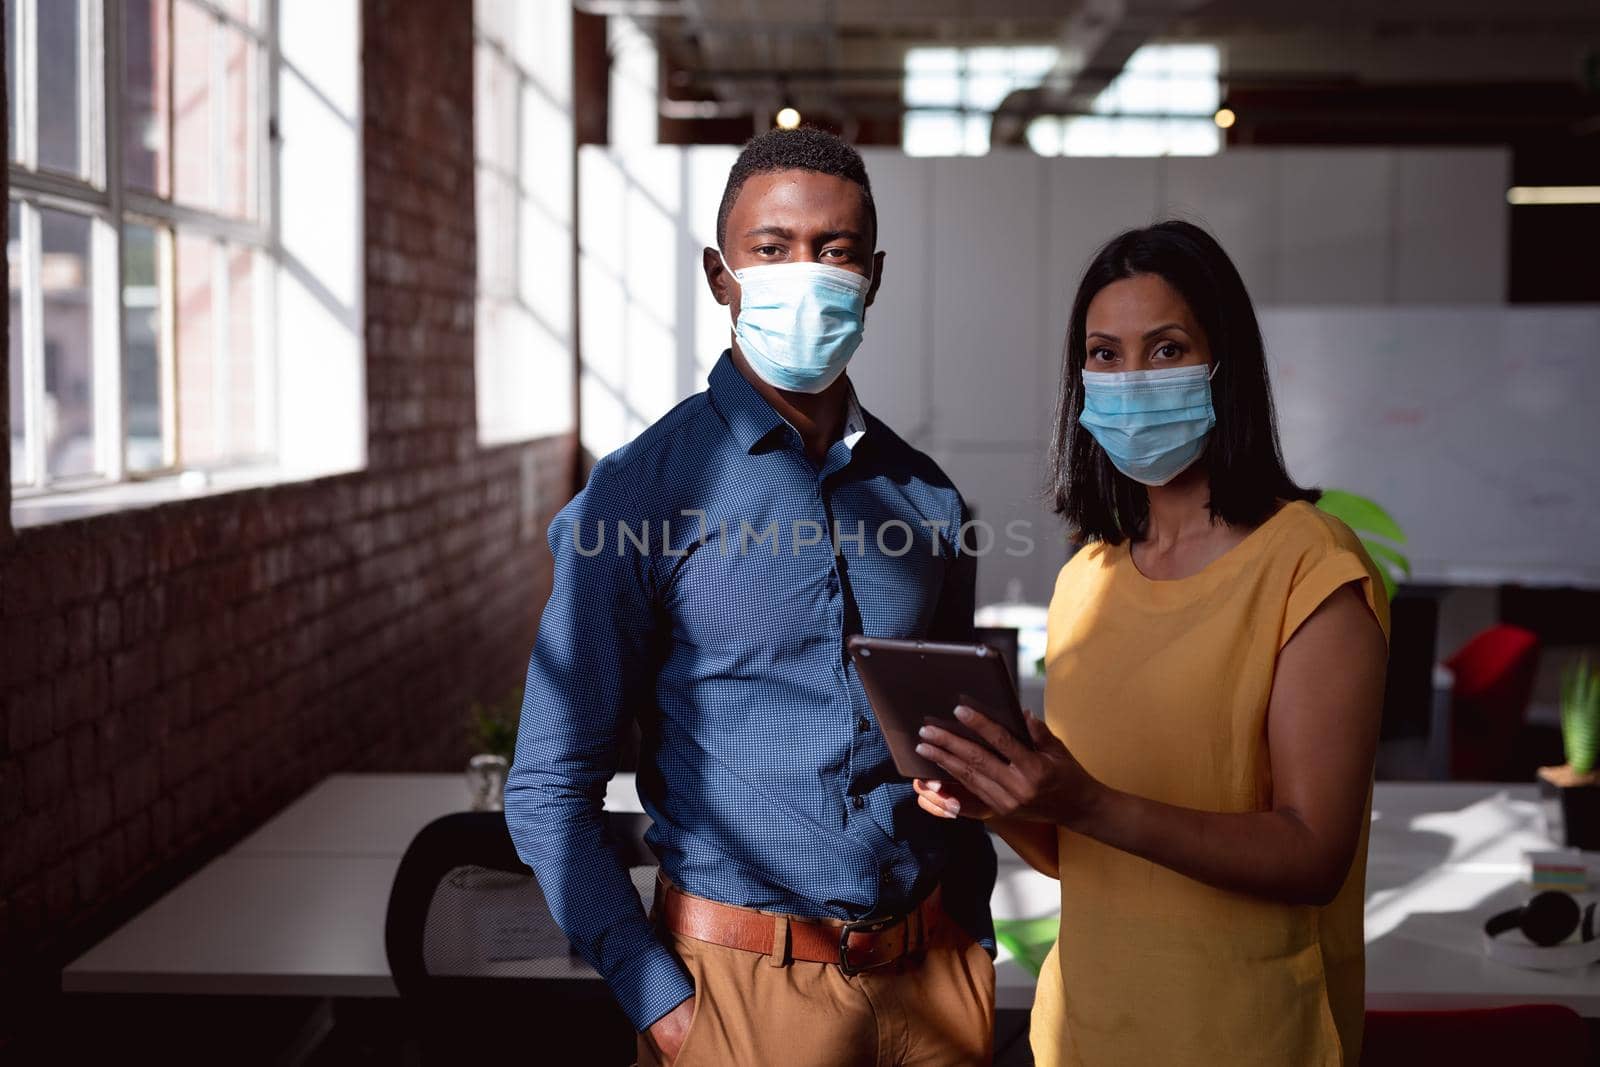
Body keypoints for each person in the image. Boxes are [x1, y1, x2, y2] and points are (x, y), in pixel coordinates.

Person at [506, 128, 998, 1067]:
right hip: (736, 992)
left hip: (930, 981)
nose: (804, 273)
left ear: (874, 276)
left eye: (835, 250)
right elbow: (545, 788)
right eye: (772, 249)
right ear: (719, 274)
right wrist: (664, 1007)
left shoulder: (927, 498)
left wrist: (970, 934)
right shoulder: (638, 495)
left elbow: (955, 743)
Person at [913, 220, 1390, 1066]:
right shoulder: (1085, 578)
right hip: (1083, 1032)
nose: (1132, 378)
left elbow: (1314, 852)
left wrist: (1089, 800)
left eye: (1166, 349)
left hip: (1247, 1039)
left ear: (1224, 365)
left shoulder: (1310, 566)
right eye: (1104, 353)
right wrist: (1001, 798)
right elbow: (1082, 851)